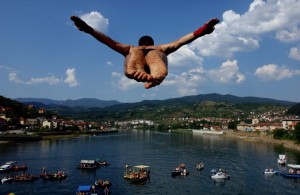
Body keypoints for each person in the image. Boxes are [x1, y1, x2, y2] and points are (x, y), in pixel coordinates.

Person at [70, 16, 219, 89]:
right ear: (151, 44)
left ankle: (140, 68)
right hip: (156, 56)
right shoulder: (158, 48)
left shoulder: (132, 48)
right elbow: (180, 41)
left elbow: (109, 41)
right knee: (155, 74)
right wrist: (202, 31)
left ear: (140, 43)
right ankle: (152, 73)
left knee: (135, 63)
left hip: (135, 55)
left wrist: (88, 29)